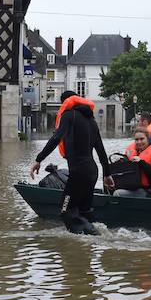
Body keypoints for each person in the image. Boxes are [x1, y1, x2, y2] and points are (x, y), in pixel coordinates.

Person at [30, 90, 113, 233]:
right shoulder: (91, 121)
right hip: (92, 172)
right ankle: (90, 242)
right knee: (84, 211)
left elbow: (56, 138)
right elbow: (101, 150)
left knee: (66, 211)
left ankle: (94, 236)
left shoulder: (68, 115)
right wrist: (107, 174)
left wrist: (39, 159)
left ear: (65, 103)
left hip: (78, 172)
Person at [107, 126, 151, 198]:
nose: (139, 142)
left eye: (142, 139)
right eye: (136, 140)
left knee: (117, 194)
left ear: (147, 139)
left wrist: (141, 162)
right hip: (135, 187)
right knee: (109, 188)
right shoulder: (134, 153)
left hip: (148, 191)